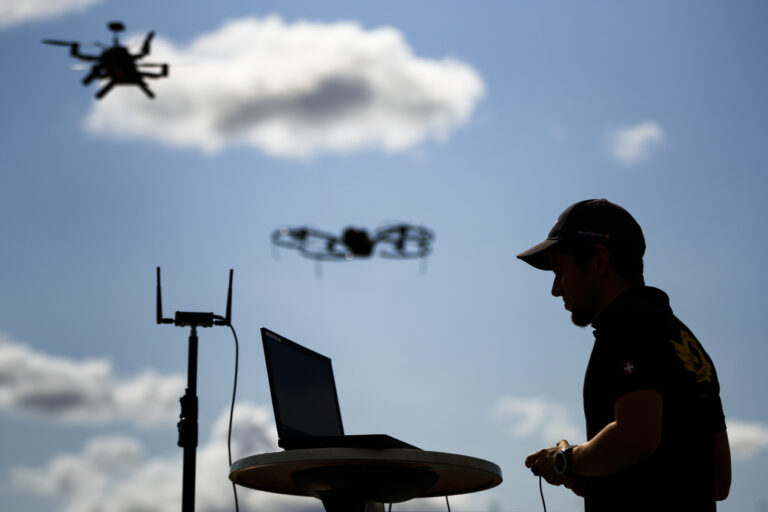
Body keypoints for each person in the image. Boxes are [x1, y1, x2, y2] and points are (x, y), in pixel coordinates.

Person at [517, 199, 731, 511]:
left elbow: (635, 438)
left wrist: (565, 460)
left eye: (560, 271)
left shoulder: (627, 325)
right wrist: (584, 473)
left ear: (598, 261)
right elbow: (716, 481)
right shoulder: (683, 340)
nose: (555, 288)